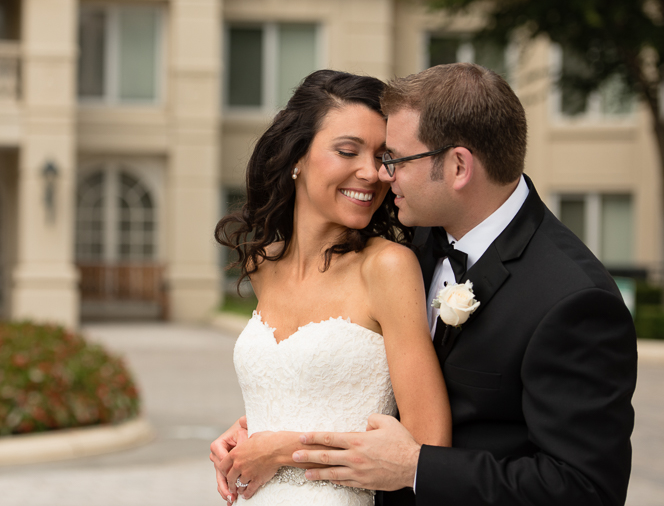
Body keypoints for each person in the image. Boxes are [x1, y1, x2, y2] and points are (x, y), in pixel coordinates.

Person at [277, 63, 638, 505]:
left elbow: (586, 490)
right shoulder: (410, 244)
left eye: (395, 159)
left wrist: (418, 469)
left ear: (458, 166)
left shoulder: (574, 300)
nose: (382, 175)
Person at [211, 69, 452, 505]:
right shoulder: (263, 263)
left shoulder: (387, 267)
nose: (372, 173)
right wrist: (249, 434)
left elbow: (426, 443)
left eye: (382, 157)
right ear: (296, 157)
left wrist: (280, 449)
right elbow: (307, 388)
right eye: (347, 151)